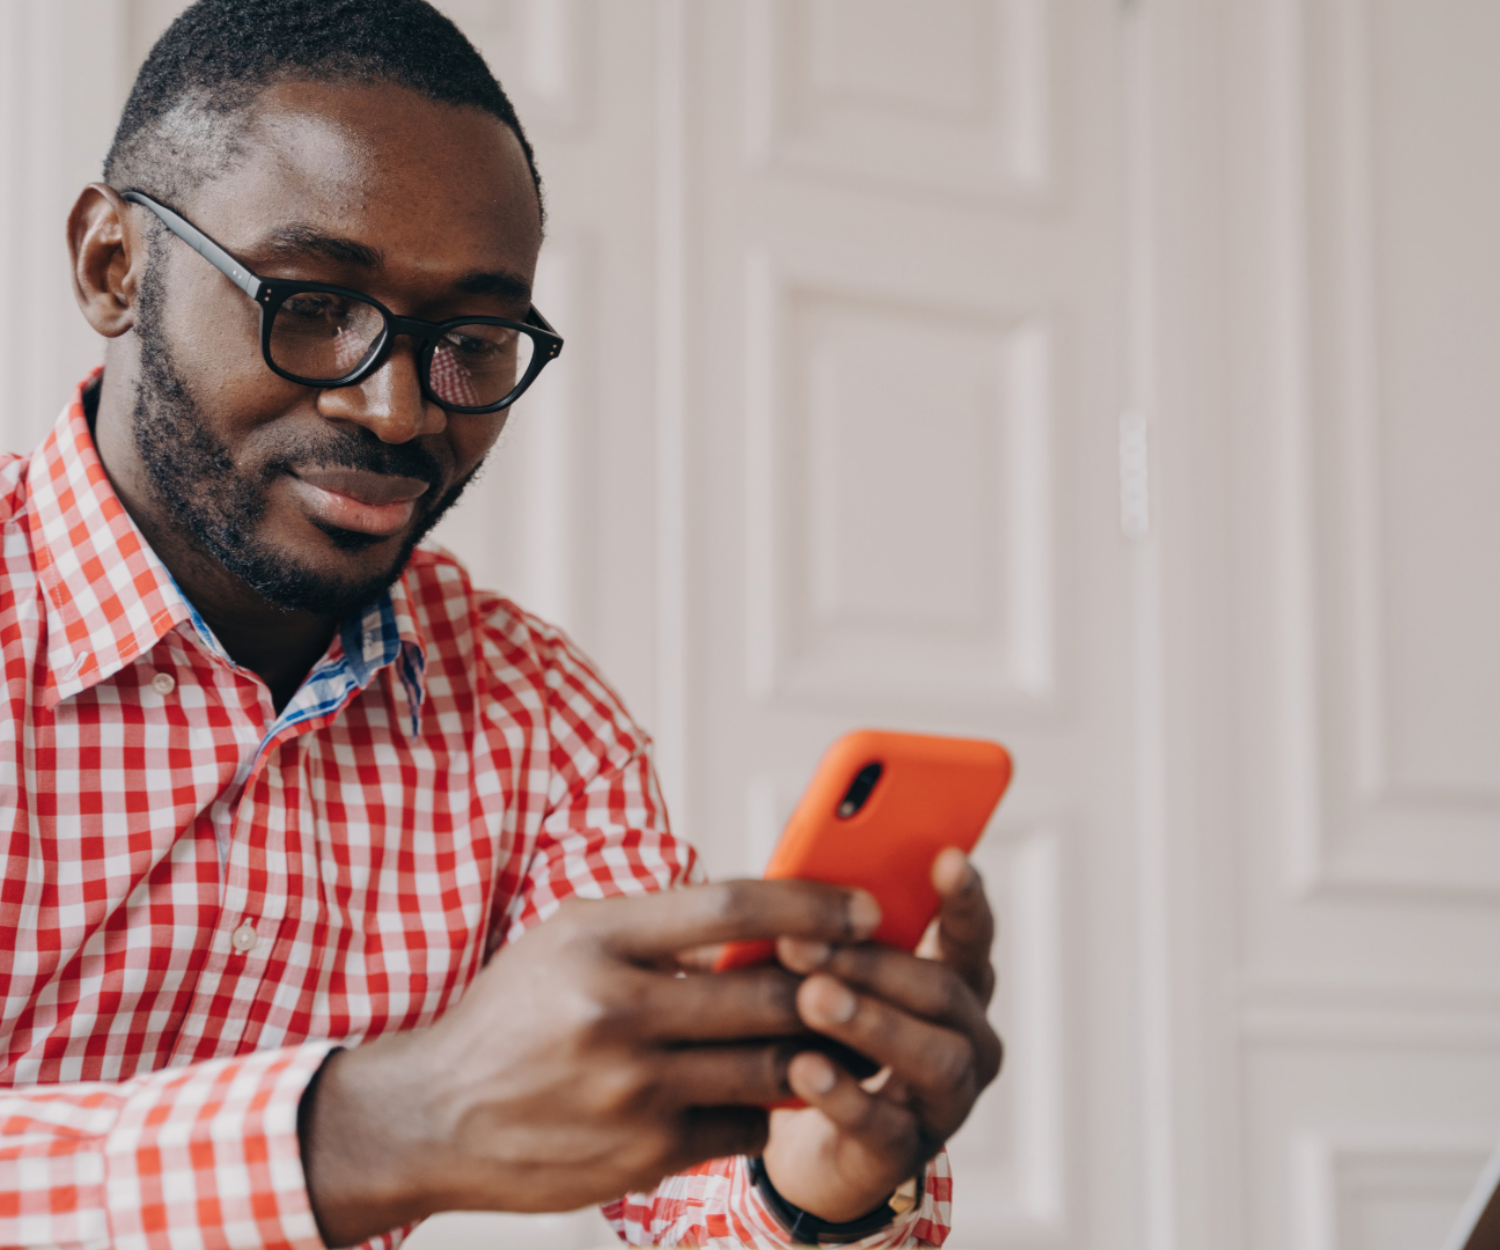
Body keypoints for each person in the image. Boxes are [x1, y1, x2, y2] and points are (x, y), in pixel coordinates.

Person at [0, 2, 1002, 1246]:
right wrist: (377, 1125)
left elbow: (687, 1182)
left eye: (473, 341)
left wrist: (811, 1181)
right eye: (312, 304)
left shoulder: (536, 716)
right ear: (113, 264)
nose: (396, 406)